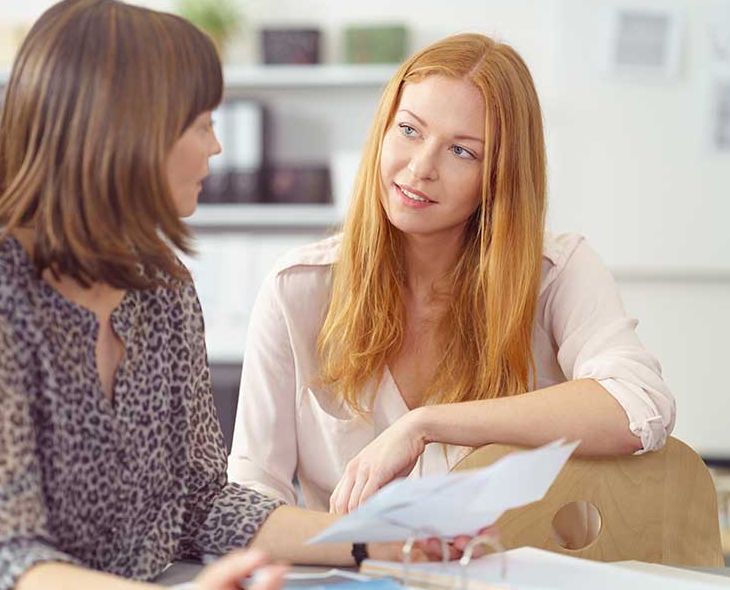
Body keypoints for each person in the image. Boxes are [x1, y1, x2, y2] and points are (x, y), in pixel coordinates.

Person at [0, 0, 475, 590]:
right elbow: (3, 562)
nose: (216, 146)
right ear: (126, 135)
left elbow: (200, 502)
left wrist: (375, 540)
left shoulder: (161, 288)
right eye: (201, 124)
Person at [228, 33, 675, 515]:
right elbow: (254, 492)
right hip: (344, 561)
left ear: (500, 176)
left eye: (462, 151)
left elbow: (638, 407)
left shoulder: (556, 273)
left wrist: (427, 425)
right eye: (409, 130)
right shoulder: (297, 288)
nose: (421, 167)